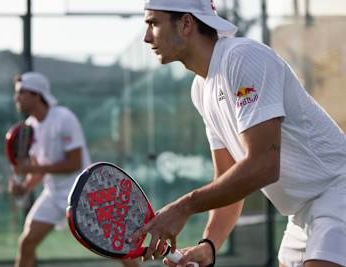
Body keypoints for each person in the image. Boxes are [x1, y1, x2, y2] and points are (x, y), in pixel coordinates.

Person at [130, 1, 346, 267]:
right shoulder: (200, 89)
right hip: (301, 214)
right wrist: (209, 245)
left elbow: (264, 165)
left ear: (186, 23)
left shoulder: (242, 57)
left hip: (338, 192)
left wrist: (184, 206)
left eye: (153, 23)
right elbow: (228, 179)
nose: (146, 36)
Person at [9, 72, 139, 267]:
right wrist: (25, 186)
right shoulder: (29, 127)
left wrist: (32, 167)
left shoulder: (63, 118)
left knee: (118, 247)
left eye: (21, 92)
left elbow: (74, 164)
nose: (16, 97)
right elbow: (39, 171)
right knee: (26, 243)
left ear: (37, 94)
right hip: (53, 194)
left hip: (83, 193)